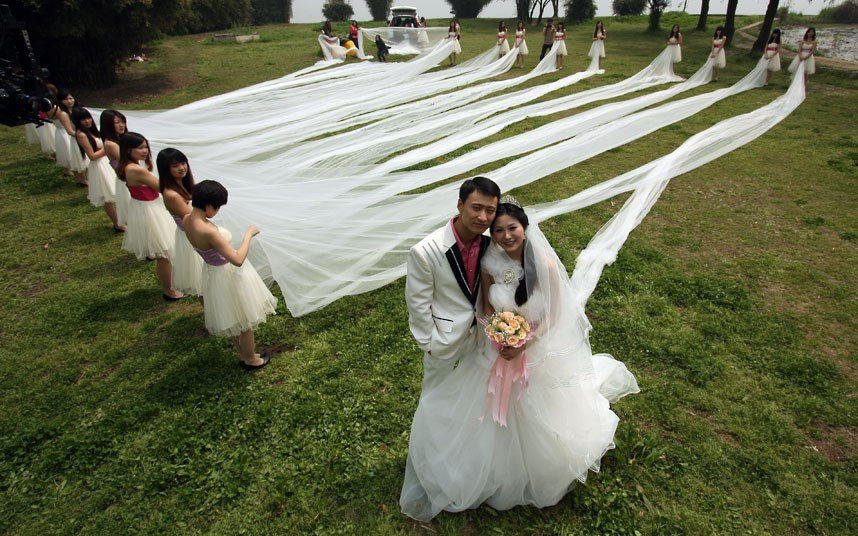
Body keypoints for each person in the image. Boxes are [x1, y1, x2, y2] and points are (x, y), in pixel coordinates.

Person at [400, 200, 639, 521]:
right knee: (481, 407)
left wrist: (524, 342)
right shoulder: (490, 264)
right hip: (495, 351)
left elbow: (555, 314)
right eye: (498, 230)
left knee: (533, 408)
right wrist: (496, 334)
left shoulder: (545, 266)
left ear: (524, 226)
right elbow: (484, 308)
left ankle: (536, 466)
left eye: (512, 227)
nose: (506, 235)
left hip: (534, 351)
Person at [405, 176, 501, 395]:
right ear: (460, 205)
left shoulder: (491, 242)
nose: (483, 217)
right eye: (476, 208)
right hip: (443, 338)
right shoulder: (426, 251)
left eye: (490, 210)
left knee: (475, 392)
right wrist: (428, 343)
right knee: (434, 394)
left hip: (481, 336)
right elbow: (417, 302)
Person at [184, 180, 277, 370]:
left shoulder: (187, 220)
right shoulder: (208, 231)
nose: (217, 212)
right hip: (226, 274)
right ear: (209, 205)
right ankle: (251, 359)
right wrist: (248, 236)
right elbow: (237, 258)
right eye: (217, 208)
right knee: (244, 321)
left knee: (230, 317)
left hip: (211, 271)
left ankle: (244, 354)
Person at [118, 132, 183, 300]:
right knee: (164, 253)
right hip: (150, 210)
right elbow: (162, 187)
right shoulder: (137, 170)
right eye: (139, 148)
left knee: (165, 251)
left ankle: (172, 283)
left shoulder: (128, 166)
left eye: (145, 146)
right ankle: (169, 290)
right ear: (128, 150)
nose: (144, 151)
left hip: (142, 207)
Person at [157, 148, 204, 297]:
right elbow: (192, 219)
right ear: (166, 170)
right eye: (175, 166)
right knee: (201, 281)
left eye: (183, 163)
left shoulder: (186, 184)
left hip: (197, 232)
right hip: (191, 237)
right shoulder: (171, 194)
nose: (182, 168)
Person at [71, 107, 122, 232]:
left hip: (106, 162)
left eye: (88, 118)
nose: (87, 121)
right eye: (83, 119)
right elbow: (92, 156)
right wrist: (107, 148)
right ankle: (117, 223)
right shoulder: (82, 134)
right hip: (99, 166)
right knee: (106, 197)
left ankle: (121, 219)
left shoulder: (93, 131)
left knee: (116, 191)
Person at [100, 109, 130, 227]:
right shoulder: (111, 144)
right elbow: (126, 161)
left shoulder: (121, 139)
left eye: (122, 122)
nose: (121, 125)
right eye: (117, 123)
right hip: (126, 181)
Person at [56, 91, 88, 186]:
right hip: (76, 138)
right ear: (61, 101)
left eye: (71, 98)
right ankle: (81, 180)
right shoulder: (64, 114)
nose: (69, 101)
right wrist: (82, 136)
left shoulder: (78, 109)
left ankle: (82, 179)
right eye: (66, 99)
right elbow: (69, 131)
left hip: (82, 136)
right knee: (78, 159)